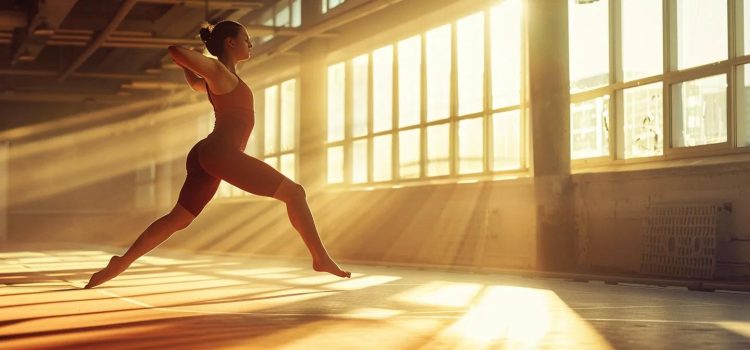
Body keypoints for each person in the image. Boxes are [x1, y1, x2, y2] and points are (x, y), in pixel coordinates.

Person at [84, 20, 351, 289]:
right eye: (246, 38)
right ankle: (320, 258)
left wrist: (189, 68)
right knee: (295, 193)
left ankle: (122, 262)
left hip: (209, 154)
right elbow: (175, 50)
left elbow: (195, 85)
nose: (250, 43)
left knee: (179, 218)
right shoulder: (218, 71)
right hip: (219, 153)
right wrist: (194, 55)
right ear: (230, 42)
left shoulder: (218, 78)